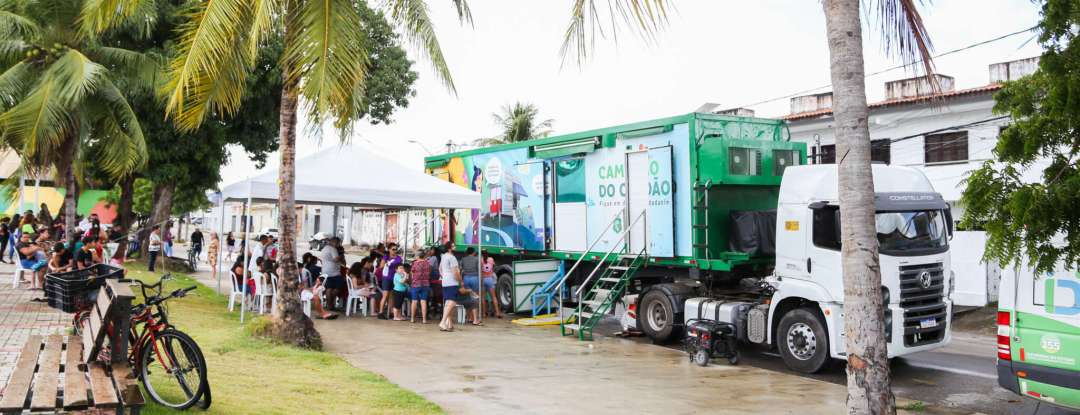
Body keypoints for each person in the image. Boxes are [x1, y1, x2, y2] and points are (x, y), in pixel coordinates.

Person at [316, 235, 345, 310]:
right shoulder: (333, 249)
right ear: (335, 242)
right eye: (338, 243)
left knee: (329, 288)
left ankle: (330, 305)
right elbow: (336, 259)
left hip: (325, 272)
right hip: (334, 273)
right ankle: (331, 303)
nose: (339, 244)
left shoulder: (324, 248)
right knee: (337, 287)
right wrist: (341, 255)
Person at [438, 242, 462, 332]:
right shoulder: (452, 258)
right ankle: (443, 322)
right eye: (453, 246)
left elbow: (440, 269)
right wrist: (460, 281)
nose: (455, 247)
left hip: (445, 281)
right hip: (452, 282)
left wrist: (444, 276)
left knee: (448, 303)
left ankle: (449, 323)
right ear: (449, 248)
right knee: (452, 302)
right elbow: (455, 272)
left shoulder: (443, 256)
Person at [377, 245, 403, 318]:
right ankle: (381, 312)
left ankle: (391, 312)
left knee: (392, 296)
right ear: (389, 250)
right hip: (386, 278)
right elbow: (381, 267)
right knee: (385, 295)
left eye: (396, 249)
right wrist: (387, 264)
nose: (394, 250)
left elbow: (400, 268)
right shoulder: (386, 257)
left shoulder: (398, 258)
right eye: (393, 249)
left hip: (394, 279)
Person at [460, 247, 482, 325]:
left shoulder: (463, 259)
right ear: (473, 252)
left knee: (468, 297)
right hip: (474, 278)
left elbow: (460, 269)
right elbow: (479, 270)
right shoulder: (477, 259)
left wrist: (461, 280)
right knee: (475, 297)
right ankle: (474, 318)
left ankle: (469, 317)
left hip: (466, 278)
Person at [409, 250, 432, 324]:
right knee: (423, 301)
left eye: (416, 255)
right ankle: (424, 320)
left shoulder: (415, 263)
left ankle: (412, 319)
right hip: (425, 284)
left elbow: (412, 272)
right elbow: (429, 272)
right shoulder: (428, 263)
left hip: (416, 284)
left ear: (418, 256)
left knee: (414, 301)